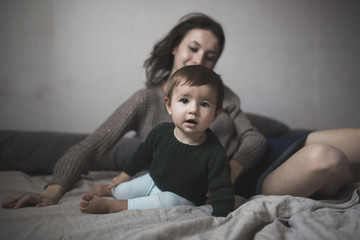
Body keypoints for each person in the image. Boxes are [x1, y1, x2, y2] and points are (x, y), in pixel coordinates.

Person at [2, 12, 359, 209]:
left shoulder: (223, 95)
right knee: (329, 160)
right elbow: (92, 146)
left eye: (211, 56)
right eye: (193, 48)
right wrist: (52, 190)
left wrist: (232, 168)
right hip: (251, 181)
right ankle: (335, 180)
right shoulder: (144, 100)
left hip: (260, 155)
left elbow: (253, 137)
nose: (199, 59)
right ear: (175, 47)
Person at [79, 65, 234, 217]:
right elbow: (142, 153)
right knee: (125, 190)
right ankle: (111, 191)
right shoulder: (161, 132)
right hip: (154, 179)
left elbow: (222, 188)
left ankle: (112, 206)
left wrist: (222, 216)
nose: (193, 110)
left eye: (204, 104)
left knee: (167, 201)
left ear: (215, 114)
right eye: (185, 100)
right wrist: (125, 174)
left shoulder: (215, 153)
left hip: (183, 196)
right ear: (169, 105)